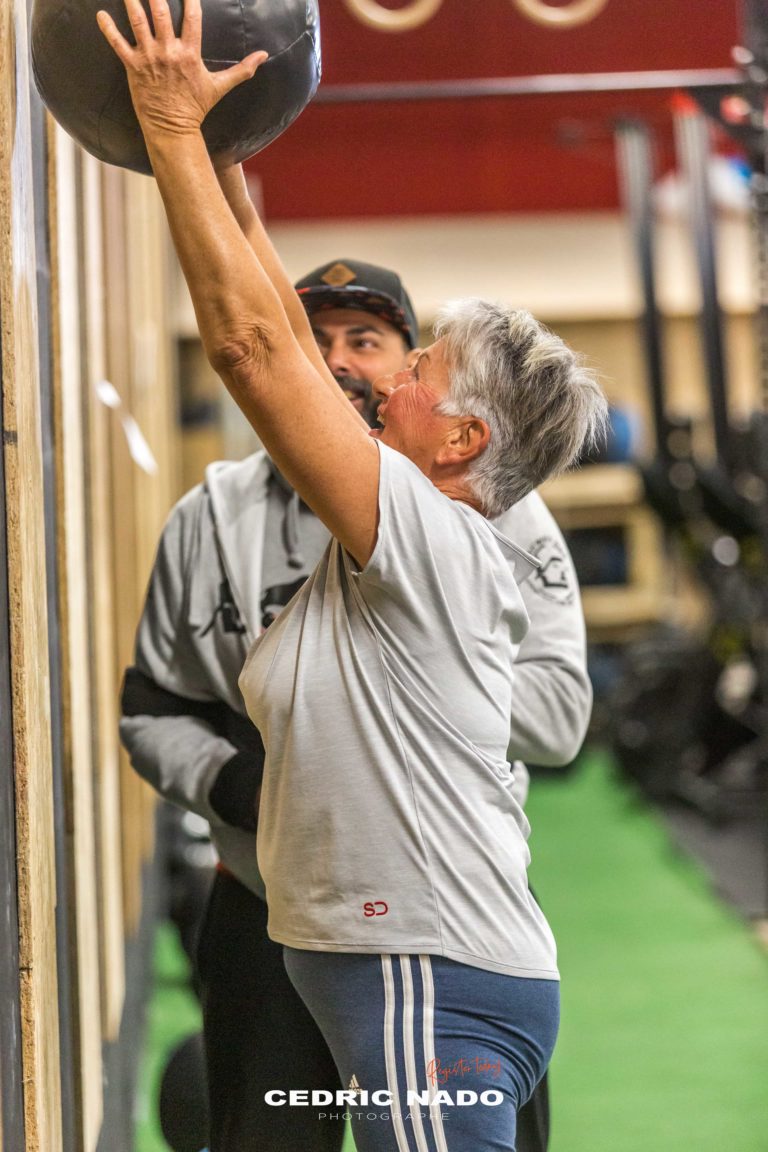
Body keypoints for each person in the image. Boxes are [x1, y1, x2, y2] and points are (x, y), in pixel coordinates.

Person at [101, 3, 607, 1148]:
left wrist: (174, 127)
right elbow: (277, 326)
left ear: (464, 440)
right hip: (383, 968)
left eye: (413, 369)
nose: (378, 390)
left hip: (431, 981)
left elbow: (249, 350)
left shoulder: (429, 537)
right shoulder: (399, 520)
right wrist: (228, 168)